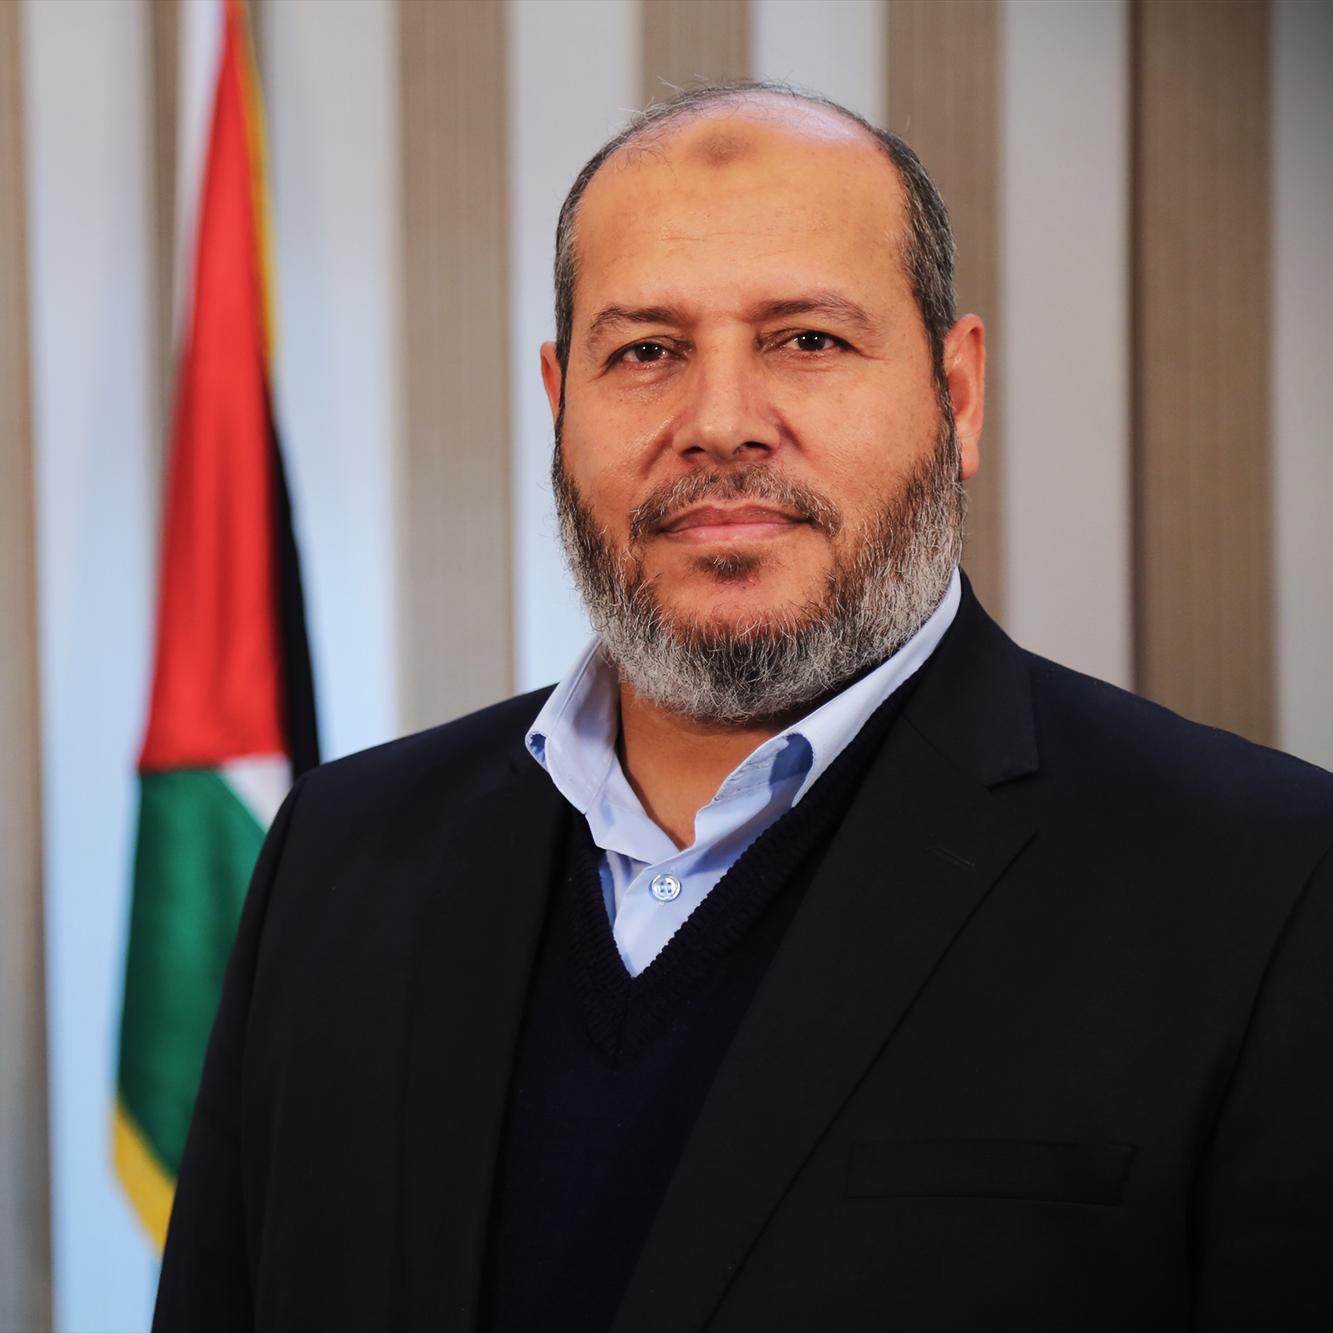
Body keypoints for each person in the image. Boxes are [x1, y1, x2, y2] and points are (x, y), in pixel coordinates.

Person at [153, 82, 1333, 1333]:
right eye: (645, 351)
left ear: (958, 394)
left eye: (806, 340)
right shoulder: (338, 853)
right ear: (559, 402)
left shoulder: (1261, 884)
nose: (719, 425)